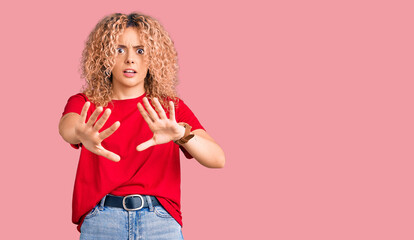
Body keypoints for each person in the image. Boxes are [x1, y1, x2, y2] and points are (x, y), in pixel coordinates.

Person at [58, 12, 225, 239]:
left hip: (160, 221)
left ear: (153, 57)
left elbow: (217, 159)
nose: (130, 59)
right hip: (102, 221)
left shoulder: (170, 107)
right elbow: (67, 127)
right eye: (119, 50)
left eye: (140, 50)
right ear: (104, 57)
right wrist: (80, 132)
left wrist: (181, 134)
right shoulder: (85, 103)